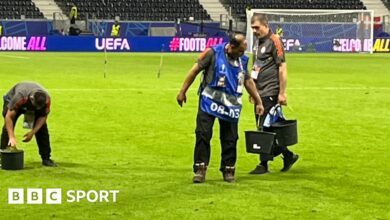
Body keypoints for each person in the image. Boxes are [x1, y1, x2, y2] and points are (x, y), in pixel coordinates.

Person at [176, 34, 264, 183]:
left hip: (230, 105)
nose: (242, 54)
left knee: (230, 139)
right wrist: (182, 91)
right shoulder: (212, 53)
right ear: (232, 47)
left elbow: (248, 81)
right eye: (241, 51)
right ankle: (200, 169)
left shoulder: (242, 60)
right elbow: (194, 70)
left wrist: (258, 102)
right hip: (208, 102)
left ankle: (228, 169)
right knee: (203, 134)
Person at [249, 14, 298, 174]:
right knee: (265, 127)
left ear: (266, 25)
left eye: (257, 27)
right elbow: (256, 67)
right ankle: (287, 155)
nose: (254, 31)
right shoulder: (258, 43)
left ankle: (263, 164)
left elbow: (282, 67)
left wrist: (282, 93)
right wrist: (252, 90)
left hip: (270, 90)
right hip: (259, 92)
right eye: (253, 28)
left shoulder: (274, 40)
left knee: (265, 126)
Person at [1, 82, 57, 167]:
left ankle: (46, 158)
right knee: (7, 128)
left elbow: (43, 117)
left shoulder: (47, 100)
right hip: (12, 100)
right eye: (36, 106)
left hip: (30, 102)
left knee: (42, 129)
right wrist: (12, 137)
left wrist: (32, 132)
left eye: (39, 108)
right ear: (31, 98)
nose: (37, 109)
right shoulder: (20, 96)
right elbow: (9, 117)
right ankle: (2, 158)